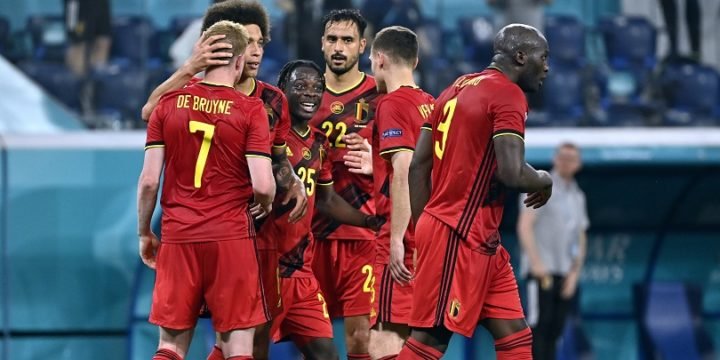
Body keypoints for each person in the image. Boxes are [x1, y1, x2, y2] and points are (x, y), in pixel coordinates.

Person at [139, 3, 308, 358]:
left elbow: (280, 158)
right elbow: (264, 183)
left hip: (207, 234)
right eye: (247, 41)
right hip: (235, 233)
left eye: (261, 42)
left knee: (178, 342)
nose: (256, 50)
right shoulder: (249, 109)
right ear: (219, 47)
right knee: (239, 341)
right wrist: (189, 67)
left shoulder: (271, 99)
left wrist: (293, 179)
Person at [397, 24, 553, 360]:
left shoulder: (455, 87)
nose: (547, 67)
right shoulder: (508, 94)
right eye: (544, 57)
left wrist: (425, 226)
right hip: (458, 233)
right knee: (430, 340)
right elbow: (510, 171)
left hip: (479, 239)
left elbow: (418, 166)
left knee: (515, 336)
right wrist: (543, 178)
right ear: (521, 56)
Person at [253, 59, 383, 360]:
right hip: (264, 264)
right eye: (300, 87)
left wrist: (370, 220)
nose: (310, 94)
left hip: (300, 269)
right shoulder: (266, 137)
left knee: (326, 354)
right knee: (248, 351)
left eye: (316, 89)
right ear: (282, 90)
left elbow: (326, 200)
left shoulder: (319, 143)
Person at [308, 9, 381, 360]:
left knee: (360, 341)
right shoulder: (300, 94)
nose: (339, 47)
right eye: (333, 39)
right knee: (311, 342)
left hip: (361, 233)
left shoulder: (380, 96)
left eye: (347, 40)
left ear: (362, 46)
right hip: (307, 235)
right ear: (322, 44)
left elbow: (414, 163)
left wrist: (376, 160)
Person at [365, 25, 434, 360]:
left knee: (385, 337)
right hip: (431, 237)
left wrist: (396, 239)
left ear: (380, 59)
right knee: (417, 341)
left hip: (403, 238)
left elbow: (404, 170)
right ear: (416, 61)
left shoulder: (391, 103)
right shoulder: (431, 105)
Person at [517, 142, 588, 360]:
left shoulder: (578, 195)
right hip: (541, 273)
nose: (566, 162)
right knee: (538, 329)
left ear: (578, 164)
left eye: (571, 158)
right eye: (562, 157)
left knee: (556, 331)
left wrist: (575, 273)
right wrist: (536, 263)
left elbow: (581, 235)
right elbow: (525, 225)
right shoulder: (540, 184)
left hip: (565, 274)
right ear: (555, 158)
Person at [64, 0, 111, 76]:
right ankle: (77, 82)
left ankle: (97, 82)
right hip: (78, 4)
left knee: (103, 40)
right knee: (79, 44)